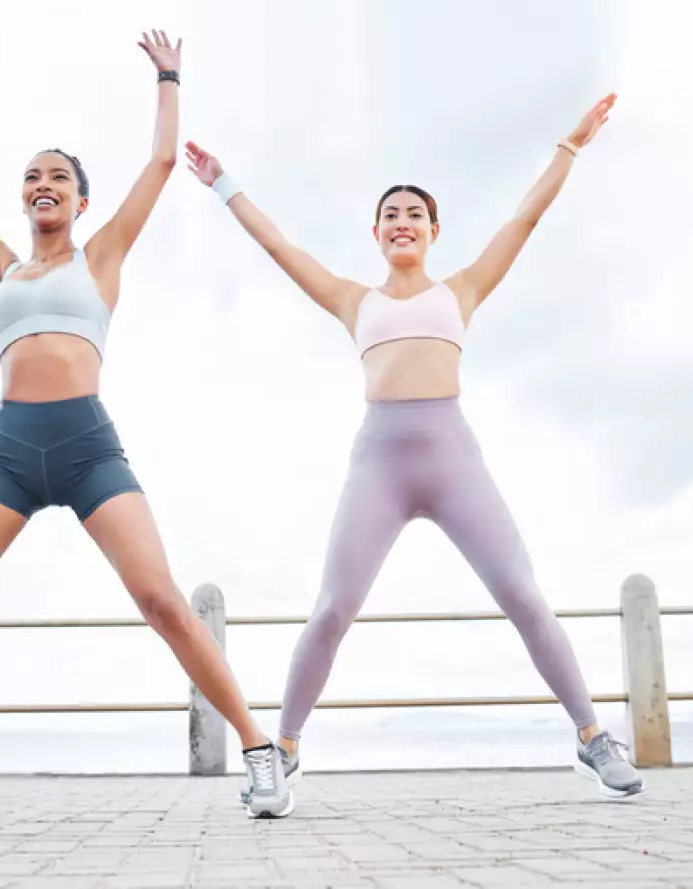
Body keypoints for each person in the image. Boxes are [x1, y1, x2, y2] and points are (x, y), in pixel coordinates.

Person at [0, 31, 294, 825]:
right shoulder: (1, 266)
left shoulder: (101, 257)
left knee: (162, 600)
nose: (44, 184)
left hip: (87, 447)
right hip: (9, 453)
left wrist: (169, 77)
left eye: (59, 178)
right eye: (33, 177)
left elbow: (161, 164)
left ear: (80, 202)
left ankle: (259, 750)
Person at [186, 93, 643, 800]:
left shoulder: (462, 290)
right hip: (381, 463)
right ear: (376, 233)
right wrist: (223, 182)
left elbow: (525, 216)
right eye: (391, 215)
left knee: (523, 592)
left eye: (415, 214)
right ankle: (283, 749)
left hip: (454, 460)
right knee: (334, 606)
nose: (403, 223)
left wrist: (571, 146)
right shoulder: (352, 300)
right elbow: (278, 246)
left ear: (433, 230)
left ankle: (591, 735)